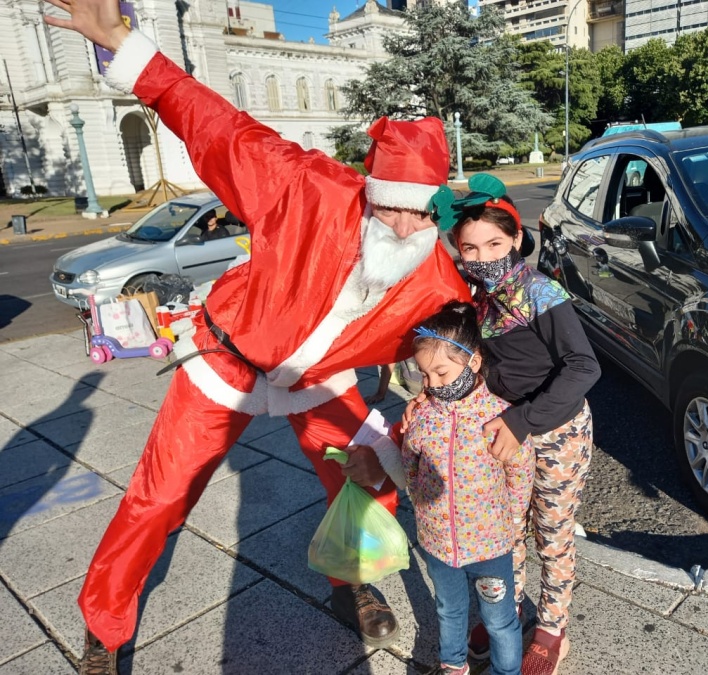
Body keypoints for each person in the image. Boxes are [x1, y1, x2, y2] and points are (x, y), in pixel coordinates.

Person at [43, 2, 471, 674]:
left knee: (368, 472)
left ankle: (350, 580)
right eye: (391, 206)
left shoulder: (436, 273)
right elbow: (216, 123)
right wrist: (123, 44)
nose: (405, 228)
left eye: (421, 215)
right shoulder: (305, 188)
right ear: (368, 191)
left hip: (315, 378)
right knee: (158, 496)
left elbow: (472, 345)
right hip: (227, 357)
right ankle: (105, 622)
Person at [404, 174, 601, 674]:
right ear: (458, 250)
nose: (483, 255)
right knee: (504, 527)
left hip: (553, 432)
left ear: (516, 238)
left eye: (495, 242)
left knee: (551, 532)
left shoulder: (539, 292)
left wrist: (525, 421)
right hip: (500, 429)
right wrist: (426, 397)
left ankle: (552, 629)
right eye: (469, 248)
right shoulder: (475, 296)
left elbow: (584, 366)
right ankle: (505, 612)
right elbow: (455, 355)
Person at [402, 301, 534, 675]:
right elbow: (410, 463)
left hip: (491, 543)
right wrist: (422, 508)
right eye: (425, 375)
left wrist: (512, 522)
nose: (433, 384)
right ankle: (453, 665)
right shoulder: (423, 416)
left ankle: (506, 671)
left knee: (500, 619)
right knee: (449, 609)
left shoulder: (498, 416)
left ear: (473, 363)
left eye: (442, 372)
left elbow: (520, 471)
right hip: (439, 543)